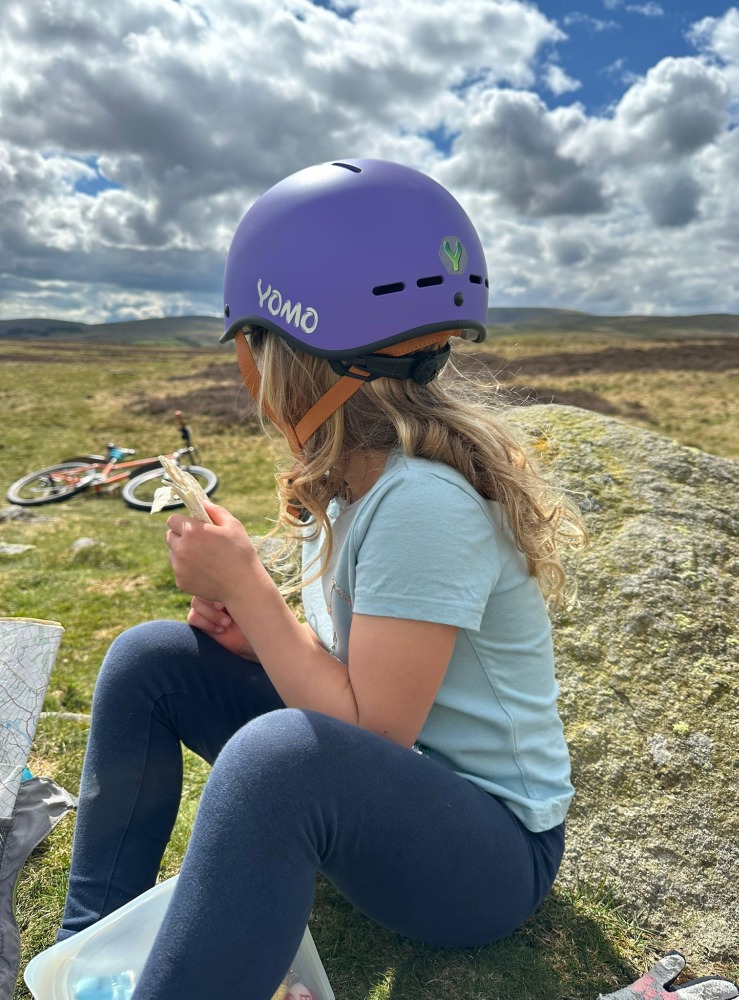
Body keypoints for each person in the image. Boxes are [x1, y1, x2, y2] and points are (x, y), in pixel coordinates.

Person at [57, 159, 586, 1000]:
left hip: (489, 857)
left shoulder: (421, 503)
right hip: (394, 795)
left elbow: (368, 733)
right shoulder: (354, 482)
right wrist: (258, 632)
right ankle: (85, 955)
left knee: (277, 761)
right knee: (150, 660)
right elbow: (349, 678)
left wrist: (251, 593)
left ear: (289, 349)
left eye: (253, 340)